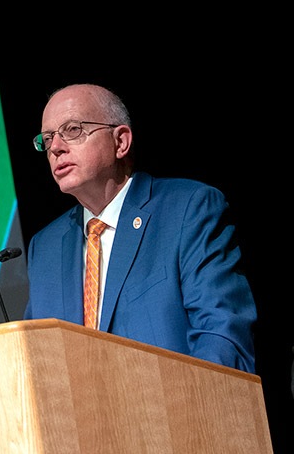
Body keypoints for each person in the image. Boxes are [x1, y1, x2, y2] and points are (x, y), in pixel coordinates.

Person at [23, 83, 256, 373]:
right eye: (47, 139)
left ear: (120, 141)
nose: (56, 148)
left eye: (72, 130)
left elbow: (222, 335)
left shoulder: (187, 210)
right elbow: (36, 363)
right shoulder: (44, 247)